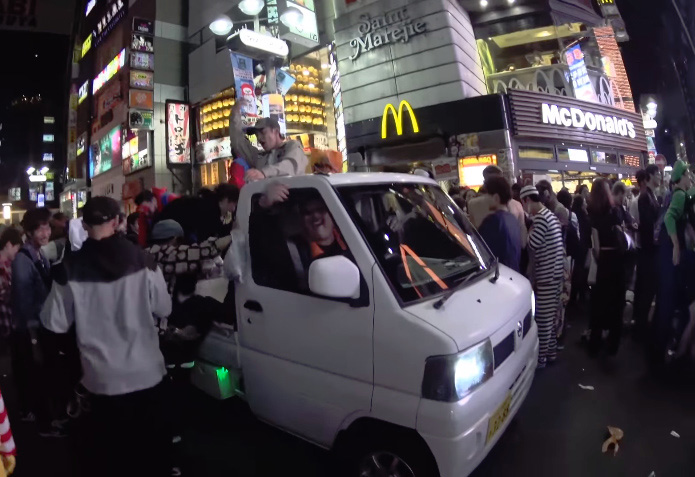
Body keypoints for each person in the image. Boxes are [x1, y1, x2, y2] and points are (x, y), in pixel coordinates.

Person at [41, 196, 172, 477]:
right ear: (117, 222)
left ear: (85, 225)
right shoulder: (143, 260)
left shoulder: (69, 270)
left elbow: (54, 323)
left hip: (101, 380)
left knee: (111, 459)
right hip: (147, 373)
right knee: (150, 456)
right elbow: (164, 307)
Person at [10, 207, 65, 437]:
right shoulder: (24, 260)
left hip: (42, 323)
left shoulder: (38, 253)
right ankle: (45, 425)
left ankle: (47, 418)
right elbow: (23, 301)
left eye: (47, 228)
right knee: (39, 375)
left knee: (43, 374)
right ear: (30, 231)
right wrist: (33, 334)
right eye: (40, 228)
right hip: (32, 327)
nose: (45, 233)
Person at [653, 160, 693, 362]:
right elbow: (669, 219)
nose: (690, 179)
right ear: (682, 177)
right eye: (688, 175)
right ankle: (666, 352)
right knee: (672, 304)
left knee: (673, 303)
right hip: (672, 256)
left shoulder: (678, 194)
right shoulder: (679, 195)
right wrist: (677, 245)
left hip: (669, 257)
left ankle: (667, 348)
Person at [520, 185, 565, 368]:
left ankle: (541, 359)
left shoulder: (540, 219)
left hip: (547, 275)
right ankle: (551, 353)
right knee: (551, 317)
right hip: (555, 274)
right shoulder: (550, 215)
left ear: (527, 201)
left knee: (543, 319)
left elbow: (531, 244)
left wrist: (524, 227)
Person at [587, 178, 627, 356]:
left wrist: (598, 257)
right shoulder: (615, 211)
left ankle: (595, 341)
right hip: (617, 261)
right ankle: (613, 343)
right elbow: (622, 235)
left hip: (603, 261)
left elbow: (595, 246)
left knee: (599, 302)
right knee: (617, 302)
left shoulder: (593, 213)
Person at [145, 219, 231, 294]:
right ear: (175, 239)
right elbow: (204, 251)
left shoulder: (146, 253)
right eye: (180, 242)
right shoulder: (164, 255)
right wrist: (233, 236)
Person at [229, 103, 307, 181]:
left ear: (275, 131)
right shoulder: (258, 157)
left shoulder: (292, 146)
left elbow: (291, 166)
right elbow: (238, 143)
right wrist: (234, 115)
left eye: (263, 132)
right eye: (256, 135)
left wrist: (264, 173)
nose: (259, 138)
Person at [156, 184, 239, 243]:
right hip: (167, 231)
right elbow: (205, 240)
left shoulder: (211, 204)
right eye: (234, 204)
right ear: (225, 200)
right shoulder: (208, 209)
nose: (234, 209)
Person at [633, 165, 661, 339]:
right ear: (650, 176)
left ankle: (641, 326)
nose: (660, 177)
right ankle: (641, 329)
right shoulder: (645, 197)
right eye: (658, 174)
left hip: (649, 251)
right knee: (646, 291)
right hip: (648, 252)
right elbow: (647, 227)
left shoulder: (651, 196)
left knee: (647, 290)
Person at [478, 176, 521, 272]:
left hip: (498, 277)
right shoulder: (513, 219)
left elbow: (480, 251)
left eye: (486, 195)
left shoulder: (492, 221)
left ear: (496, 198)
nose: (484, 199)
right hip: (514, 274)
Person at [0, 228, 22, 337]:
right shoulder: (2, 267)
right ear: (9, 244)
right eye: (16, 247)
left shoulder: (9, 265)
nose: (17, 251)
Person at [570, 195, 591, 305]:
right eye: (584, 203)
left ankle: (573, 297)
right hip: (583, 249)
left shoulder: (573, 215)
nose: (586, 204)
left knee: (574, 273)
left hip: (574, 249)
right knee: (582, 273)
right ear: (582, 205)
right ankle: (581, 297)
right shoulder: (585, 217)